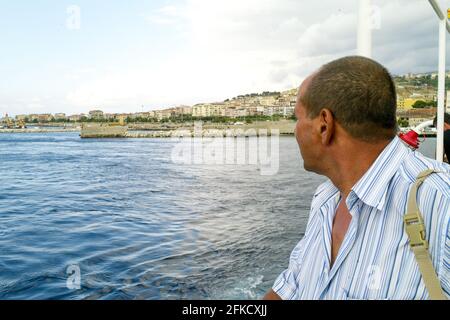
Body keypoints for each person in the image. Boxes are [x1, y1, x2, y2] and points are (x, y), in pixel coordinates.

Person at [264, 56, 450, 300]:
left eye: (297, 118)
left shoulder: (442, 203)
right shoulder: (325, 198)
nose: (296, 129)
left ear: (324, 125)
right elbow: (291, 286)